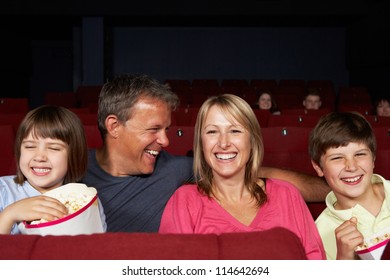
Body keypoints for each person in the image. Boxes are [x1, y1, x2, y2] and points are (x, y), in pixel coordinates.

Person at [82, 74, 330, 233]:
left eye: (166, 129)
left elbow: (253, 174)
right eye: (154, 129)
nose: (166, 140)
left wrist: (338, 190)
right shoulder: (72, 172)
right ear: (114, 126)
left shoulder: (175, 171)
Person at [158, 94, 325, 259]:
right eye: (212, 131)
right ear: (201, 143)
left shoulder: (288, 195)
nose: (223, 143)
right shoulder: (184, 201)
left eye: (235, 131)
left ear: (252, 141)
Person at [0, 105, 107, 234]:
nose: (39, 157)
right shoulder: (3, 191)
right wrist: (9, 214)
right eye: (29, 147)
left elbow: (95, 248)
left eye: (54, 148)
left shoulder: (85, 200)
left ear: (74, 155)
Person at [309, 111, 390, 260]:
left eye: (360, 154)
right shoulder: (319, 233)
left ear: (373, 159)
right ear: (318, 168)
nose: (351, 167)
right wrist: (344, 260)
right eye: (337, 158)